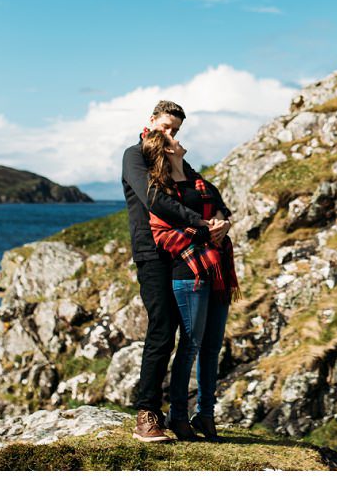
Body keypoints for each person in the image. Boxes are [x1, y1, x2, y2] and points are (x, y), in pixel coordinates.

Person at [120, 100, 226, 442]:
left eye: (175, 130)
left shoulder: (175, 158)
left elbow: (204, 190)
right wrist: (201, 224)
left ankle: (175, 415)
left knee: (189, 337)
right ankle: (146, 414)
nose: (169, 134)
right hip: (151, 254)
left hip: (180, 255)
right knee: (162, 330)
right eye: (165, 126)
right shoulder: (134, 155)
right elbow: (154, 200)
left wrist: (222, 216)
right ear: (151, 121)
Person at [142, 129, 237, 442]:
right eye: (171, 138)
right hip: (188, 272)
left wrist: (221, 223)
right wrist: (203, 234)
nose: (177, 138)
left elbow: (221, 210)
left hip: (217, 269)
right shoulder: (161, 191)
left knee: (211, 347)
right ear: (167, 151)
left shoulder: (200, 183)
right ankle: (178, 417)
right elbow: (162, 234)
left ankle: (206, 416)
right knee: (191, 345)